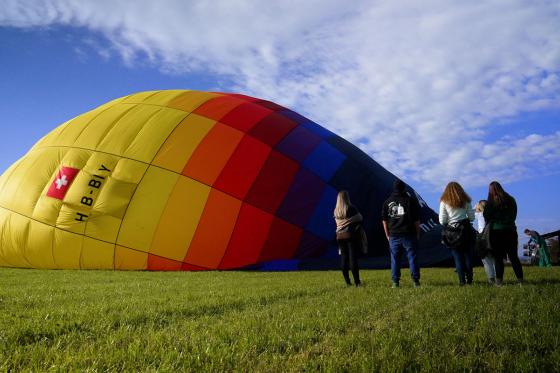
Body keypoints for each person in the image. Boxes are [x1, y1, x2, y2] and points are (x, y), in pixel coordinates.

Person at [382, 179, 421, 288]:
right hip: (409, 233)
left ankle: (395, 282)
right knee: (412, 257)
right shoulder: (411, 201)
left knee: (395, 259)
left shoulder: (387, 202)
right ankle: (415, 281)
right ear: (404, 188)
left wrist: (387, 235)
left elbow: (384, 221)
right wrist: (417, 233)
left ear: (394, 188)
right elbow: (416, 220)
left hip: (394, 234)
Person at [483, 181, 523, 286]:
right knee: (514, 257)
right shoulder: (511, 199)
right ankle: (520, 281)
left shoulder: (490, 203)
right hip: (510, 231)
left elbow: (486, 217)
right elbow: (514, 215)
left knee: (498, 258)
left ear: (490, 191)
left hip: (496, 232)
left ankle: (499, 282)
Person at [439, 182, 476, 286]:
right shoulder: (466, 200)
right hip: (466, 230)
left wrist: (450, 222)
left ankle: (461, 281)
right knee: (468, 256)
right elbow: (472, 217)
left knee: (458, 257)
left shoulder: (444, 201)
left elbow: (442, 220)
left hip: (452, 232)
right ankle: (469, 281)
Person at [334, 190, 362, 287]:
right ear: (347, 198)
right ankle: (357, 282)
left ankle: (348, 282)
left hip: (339, 236)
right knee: (352, 258)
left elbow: (338, 223)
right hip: (349, 235)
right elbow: (360, 218)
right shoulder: (351, 208)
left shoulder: (336, 211)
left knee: (344, 258)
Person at [475, 200, 496, 284]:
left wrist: (476, 206)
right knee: (495, 258)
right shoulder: (493, 215)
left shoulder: (479, 214)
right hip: (493, 236)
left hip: (482, 238)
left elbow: (468, 213)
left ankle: (491, 278)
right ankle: (498, 277)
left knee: (486, 259)